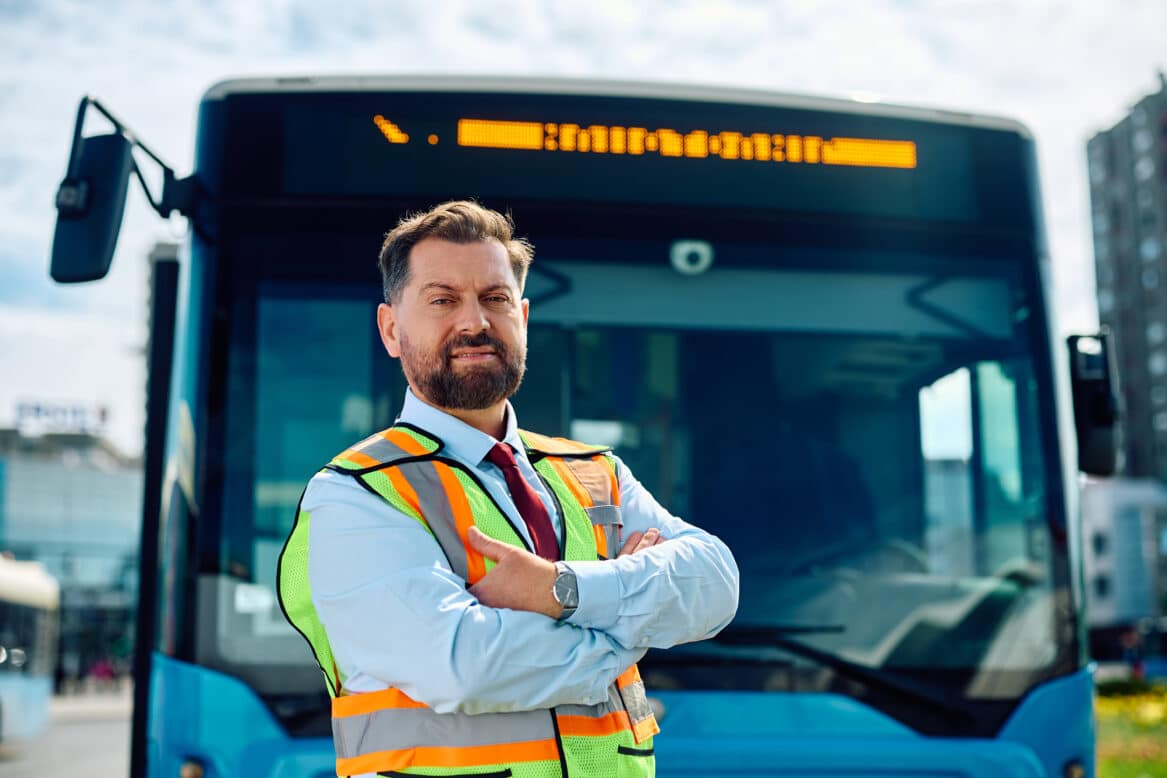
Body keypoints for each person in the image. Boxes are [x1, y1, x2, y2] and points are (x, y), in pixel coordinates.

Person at [278, 200, 739, 778]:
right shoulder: (356, 495)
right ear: (391, 329)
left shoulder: (594, 471)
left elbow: (717, 584)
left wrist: (559, 590)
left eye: (494, 299)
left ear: (522, 317)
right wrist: (634, 629)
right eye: (443, 300)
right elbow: (464, 665)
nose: (474, 322)